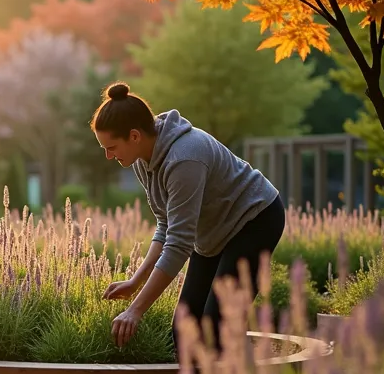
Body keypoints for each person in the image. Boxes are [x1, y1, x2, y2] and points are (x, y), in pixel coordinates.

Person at [93, 83, 285, 346]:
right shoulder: (142, 160)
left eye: (111, 147)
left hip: (254, 220)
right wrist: (136, 281)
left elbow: (179, 244)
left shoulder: (184, 158)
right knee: (186, 332)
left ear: (135, 136)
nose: (107, 155)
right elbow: (166, 223)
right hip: (215, 230)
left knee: (216, 329)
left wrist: (135, 310)